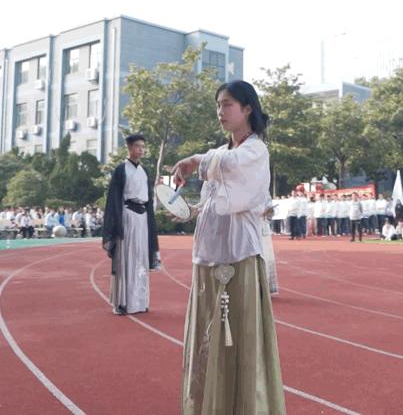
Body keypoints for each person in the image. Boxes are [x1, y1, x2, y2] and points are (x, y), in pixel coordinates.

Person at [172, 80, 285, 414]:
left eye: (227, 104)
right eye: (218, 105)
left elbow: (232, 174)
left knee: (238, 342)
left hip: (239, 261)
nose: (220, 111)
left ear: (247, 108)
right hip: (208, 260)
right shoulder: (221, 155)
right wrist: (189, 210)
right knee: (208, 343)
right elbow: (215, 203)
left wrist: (195, 159)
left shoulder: (254, 152)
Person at [102, 134, 159, 316]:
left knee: (141, 258)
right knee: (126, 258)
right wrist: (116, 225)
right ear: (129, 147)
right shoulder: (121, 170)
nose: (140, 150)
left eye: (143, 146)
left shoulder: (144, 171)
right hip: (127, 216)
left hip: (142, 218)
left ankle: (140, 301)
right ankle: (123, 302)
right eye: (137, 146)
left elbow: (149, 200)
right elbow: (113, 199)